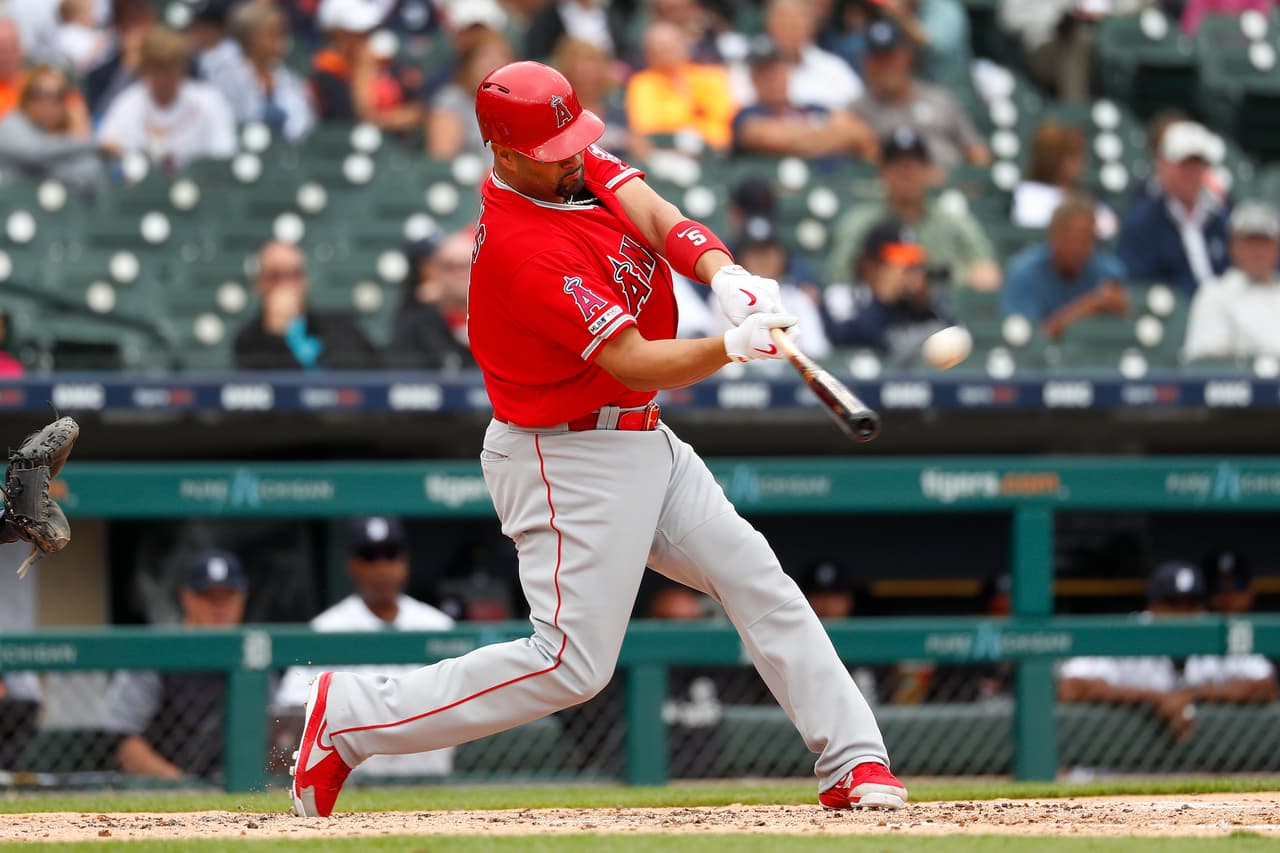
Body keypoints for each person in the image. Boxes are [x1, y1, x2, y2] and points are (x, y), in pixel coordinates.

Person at [290, 60, 906, 818]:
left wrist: (722, 271)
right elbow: (633, 360)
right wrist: (728, 346)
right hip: (564, 455)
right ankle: (350, 717)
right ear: (505, 155)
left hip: (641, 435)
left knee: (756, 576)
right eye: (553, 152)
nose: (574, 157)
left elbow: (650, 214)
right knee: (570, 664)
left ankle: (854, 760)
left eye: (574, 141)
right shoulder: (521, 248)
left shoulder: (568, 162)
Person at [275, 517, 456, 779]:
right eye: (370, 556)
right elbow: (290, 707)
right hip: (354, 782)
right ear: (352, 565)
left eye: (390, 554)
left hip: (429, 775)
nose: (382, 567)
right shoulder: (325, 629)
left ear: (404, 561)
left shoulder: (438, 625)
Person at [1058, 561, 1277, 744]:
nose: (1183, 614)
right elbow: (1071, 686)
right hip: (1116, 771)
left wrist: (1194, 694)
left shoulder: (1213, 634)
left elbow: (1266, 686)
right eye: (1173, 603)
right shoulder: (1130, 634)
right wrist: (1154, 698)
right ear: (1153, 607)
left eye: (1192, 604)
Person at [102, 549, 250, 779]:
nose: (219, 606)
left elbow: (274, 730)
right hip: (161, 788)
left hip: (234, 782)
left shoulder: (252, 656)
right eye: (209, 596)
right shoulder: (156, 653)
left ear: (242, 598)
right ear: (187, 597)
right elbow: (121, 738)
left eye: (227, 596)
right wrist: (180, 784)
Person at [826, 127, 1001, 290]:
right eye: (897, 163)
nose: (906, 171)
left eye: (913, 163)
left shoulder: (953, 220)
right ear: (882, 172)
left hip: (939, 316)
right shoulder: (859, 222)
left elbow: (989, 275)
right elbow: (838, 280)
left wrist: (935, 277)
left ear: (928, 171)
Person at [851, 18, 989, 172]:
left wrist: (972, 182)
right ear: (866, 64)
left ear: (907, 57)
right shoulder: (856, 111)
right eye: (878, 59)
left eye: (891, 57)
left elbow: (976, 150)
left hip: (951, 189)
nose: (886, 67)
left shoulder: (938, 98)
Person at [96, 26, 237, 171]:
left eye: (171, 67)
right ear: (145, 69)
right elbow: (108, 145)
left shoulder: (210, 101)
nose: (164, 78)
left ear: (183, 68)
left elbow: (223, 156)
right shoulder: (127, 103)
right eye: (157, 68)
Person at [1117, 121, 1231, 296]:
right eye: (1183, 165)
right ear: (1163, 164)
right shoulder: (1142, 224)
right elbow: (1139, 285)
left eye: (1197, 165)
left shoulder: (1221, 218)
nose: (1191, 173)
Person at [822, 218, 956, 364]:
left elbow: (958, 337)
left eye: (912, 265)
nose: (907, 273)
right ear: (869, 264)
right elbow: (842, 339)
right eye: (899, 265)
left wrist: (925, 306)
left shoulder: (916, 303)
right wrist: (882, 300)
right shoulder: (841, 295)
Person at [233, 240, 381, 370]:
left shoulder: (342, 328)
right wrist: (276, 337)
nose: (286, 285)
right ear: (259, 284)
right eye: (275, 276)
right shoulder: (248, 341)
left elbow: (371, 378)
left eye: (294, 274)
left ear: (305, 281)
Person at [1002, 196, 1129, 341]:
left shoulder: (1110, 272)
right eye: (1070, 238)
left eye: (1085, 239)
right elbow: (1024, 340)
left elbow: (1126, 333)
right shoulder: (1023, 273)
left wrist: (1122, 310)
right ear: (1052, 236)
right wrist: (1084, 308)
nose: (1076, 247)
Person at [731, 38, 877, 163]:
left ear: (788, 72)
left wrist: (798, 141)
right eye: (764, 72)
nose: (773, 78)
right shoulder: (747, 114)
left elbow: (860, 134)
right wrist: (828, 136)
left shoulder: (813, 108)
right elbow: (767, 138)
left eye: (777, 70)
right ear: (752, 79)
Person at [1183, 201, 1280, 362]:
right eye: (1250, 241)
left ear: (1276, 247)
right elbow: (1206, 365)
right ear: (1233, 246)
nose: (1257, 251)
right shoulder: (1215, 293)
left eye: (1264, 242)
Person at [205, 1, 316, 142]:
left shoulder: (289, 78)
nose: (281, 39)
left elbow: (305, 126)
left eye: (282, 32)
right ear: (249, 36)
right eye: (273, 33)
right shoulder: (222, 71)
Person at [310, 0, 423, 133]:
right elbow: (361, 119)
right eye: (358, 32)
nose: (366, 37)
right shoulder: (326, 74)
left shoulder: (383, 62)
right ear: (336, 35)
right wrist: (364, 69)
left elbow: (419, 107)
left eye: (368, 31)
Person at [625, 21, 735, 154]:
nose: (665, 52)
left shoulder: (712, 77)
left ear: (685, 46)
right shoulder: (642, 83)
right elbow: (646, 127)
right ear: (648, 55)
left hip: (713, 152)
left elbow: (723, 121)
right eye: (658, 48)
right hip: (666, 152)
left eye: (669, 46)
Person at [732, 0, 863, 111]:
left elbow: (856, 111)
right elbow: (739, 110)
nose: (790, 28)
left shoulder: (833, 67)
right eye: (784, 20)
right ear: (768, 23)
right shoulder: (749, 65)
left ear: (812, 27)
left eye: (797, 21)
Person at [0, 65, 105, 198]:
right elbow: (35, 152)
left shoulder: (68, 136)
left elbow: (90, 171)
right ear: (26, 97)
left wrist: (79, 130)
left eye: (58, 96)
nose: (48, 103)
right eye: (38, 94)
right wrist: (90, 143)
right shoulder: (11, 122)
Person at [1013, 121, 1119, 238]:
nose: (1083, 161)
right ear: (1055, 159)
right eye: (1074, 156)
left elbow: (1110, 227)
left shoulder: (1083, 193)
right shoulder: (1029, 194)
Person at [389, 229, 476, 370]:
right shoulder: (417, 324)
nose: (460, 274)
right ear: (436, 271)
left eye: (467, 265)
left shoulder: (503, 320)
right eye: (450, 267)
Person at [426, 30, 513, 160]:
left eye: (502, 57)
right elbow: (442, 160)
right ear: (469, 64)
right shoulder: (452, 100)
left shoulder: (517, 104)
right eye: (487, 58)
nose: (495, 65)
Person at [552, 36, 630, 155]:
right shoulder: (559, 111)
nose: (584, 68)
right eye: (577, 62)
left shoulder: (618, 103)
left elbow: (638, 144)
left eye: (590, 61)